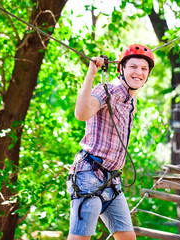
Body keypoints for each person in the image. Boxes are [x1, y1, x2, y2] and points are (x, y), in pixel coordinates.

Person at [66, 44, 155, 240]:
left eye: (144, 69)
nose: (138, 72)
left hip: (112, 180)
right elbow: (81, 113)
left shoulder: (131, 100)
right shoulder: (109, 90)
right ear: (121, 68)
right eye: (133, 66)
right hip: (89, 174)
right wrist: (91, 73)